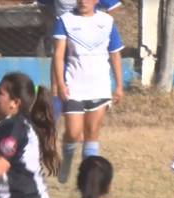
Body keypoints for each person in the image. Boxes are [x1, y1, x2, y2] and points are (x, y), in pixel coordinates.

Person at [52, 0, 124, 184]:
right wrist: (60, 83)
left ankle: (87, 179)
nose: (83, 1)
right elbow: (58, 55)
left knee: (92, 133)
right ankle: (67, 160)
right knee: (74, 133)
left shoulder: (107, 22)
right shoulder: (65, 20)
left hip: (99, 86)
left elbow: (115, 54)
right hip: (74, 86)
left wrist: (119, 85)